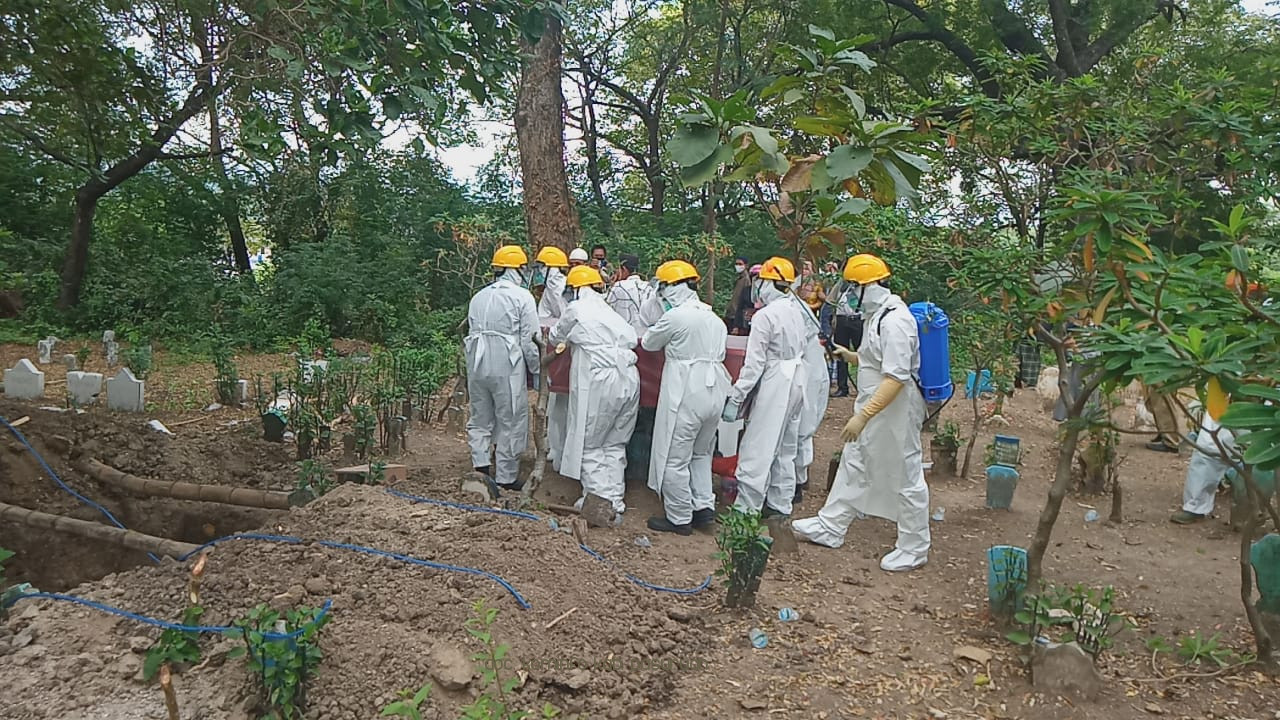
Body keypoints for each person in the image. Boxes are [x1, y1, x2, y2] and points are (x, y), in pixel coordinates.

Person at [793, 254, 931, 572]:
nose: (849, 294)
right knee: (854, 462)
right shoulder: (876, 315)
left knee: (906, 472)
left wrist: (863, 416)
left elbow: (896, 377)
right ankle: (831, 525)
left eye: (853, 287)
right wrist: (851, 356)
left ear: (870, 286)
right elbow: (877, 359)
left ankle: (914, 546)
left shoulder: (896, 321)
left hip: (896, 408)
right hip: (877, 404)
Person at [641, 260, 731, 535]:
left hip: (687, 391)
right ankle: (703, 509)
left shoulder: (677, 317)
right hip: (715, 391)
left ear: (670, 288)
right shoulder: (714, 319)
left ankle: (679, 517)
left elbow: (648, 342)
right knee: (701, 453)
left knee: (674, 456)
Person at [549, 265, 640, 517]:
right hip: (629, 376)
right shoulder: (610, 312)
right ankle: (614, 501)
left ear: (575, 289)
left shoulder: (577, 309)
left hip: (599, 378)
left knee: (589, 443)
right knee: (614, 444)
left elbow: (555, 337)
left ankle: (599, 505)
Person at [724, 257, 808, 518]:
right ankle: (780, 504)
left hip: (777, 381)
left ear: (768, 283)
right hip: (797, 378)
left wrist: (736, 396)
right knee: (785, 445)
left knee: (758, 444)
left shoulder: (766, 316)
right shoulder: (797, 309)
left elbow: (754, 364)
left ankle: (746, 509)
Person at [464, 245, 540, 492]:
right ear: (517, 269)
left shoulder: (478, 297)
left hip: (477, 362)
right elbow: (530, 340)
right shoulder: (522, 297)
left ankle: (481, 470)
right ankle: (506, 478)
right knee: (511, 418)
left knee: (480, 417)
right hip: (507, 362)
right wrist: (537, 370)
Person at [789, 276, 829, 505]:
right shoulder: (795, 308)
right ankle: (798, 477)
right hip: (807, 369)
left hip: (809, 371)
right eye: (805, 285)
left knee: (802, 427)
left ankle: (798, 480)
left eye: (811, 286)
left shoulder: (800, 311)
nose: (809, 289)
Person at [533, 246, 571, 471]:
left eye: (540, 267)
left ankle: (560, 452)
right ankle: (556, 449)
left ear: (549, 268)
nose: (537, 271)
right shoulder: (551, 287)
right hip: (555, 348)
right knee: (556, 405)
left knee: (560, 405)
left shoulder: (558, 287)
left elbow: (564, 319)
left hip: (561, 349)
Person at [828, 273, 864, 398]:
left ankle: (862, 386)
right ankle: (842, 387)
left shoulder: (863, 286)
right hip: (842, 319)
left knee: (861, 353)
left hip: (857, 319)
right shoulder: (842, 284)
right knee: (840, 353)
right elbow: (830, 300)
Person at [606, 254, 655, 334]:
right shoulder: (648, 287)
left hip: (625, 335)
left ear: (624, 269)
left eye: (618, 269)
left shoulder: (619, 286)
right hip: (646, 335)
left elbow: (608, 310)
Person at [534, 246, 570, 327]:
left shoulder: (566, 288)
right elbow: (543, 317)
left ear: (551, 269)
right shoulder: (548, 290)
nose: (540, 270)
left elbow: (568, 320)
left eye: (542, 267)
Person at [724, 256, 753, 334]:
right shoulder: (739, 278)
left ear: (746, 266)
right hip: (731, 313)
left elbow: (745, 300)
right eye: (736, 264)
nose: (737, 266)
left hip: (737, 315)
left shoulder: (746, 280)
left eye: (740, 264)